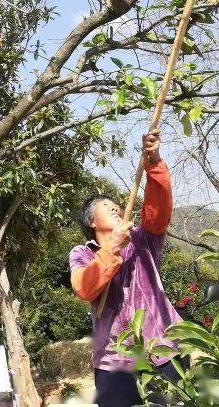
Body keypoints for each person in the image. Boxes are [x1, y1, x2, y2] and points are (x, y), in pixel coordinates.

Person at [68, 130, 182, 407]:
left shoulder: (143, 239)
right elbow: (84, 287)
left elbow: (158, 209)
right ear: (92, 222)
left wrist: (153, 163)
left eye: (117, 205)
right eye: (107, 207)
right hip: (113, 361)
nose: (117, 208)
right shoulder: (82, 253)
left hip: (163, 350)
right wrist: (112, 249)